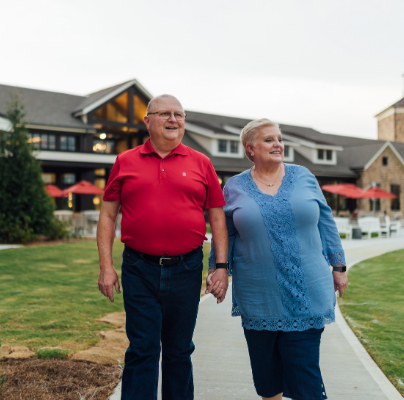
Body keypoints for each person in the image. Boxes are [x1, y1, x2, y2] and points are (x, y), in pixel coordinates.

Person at [96, 94, 230, 400]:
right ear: (147, 121)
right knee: (142, 349)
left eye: (179, 115)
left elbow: (217, 218)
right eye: (165, 113)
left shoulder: (201, 163)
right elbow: (107, 215)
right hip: (138, 268)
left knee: (179, 351)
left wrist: (221, 267)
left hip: (186, 269)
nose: (173, 120)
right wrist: (106, 267)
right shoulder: (125, 161)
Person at [207, 118, 348, 400]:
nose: (278, 145)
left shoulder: (304, 176)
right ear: (250, 149)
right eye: (269, 140)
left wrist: (339, 265)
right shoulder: (234, 186)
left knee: (305, 380)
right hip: (259, 296)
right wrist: (218, 269)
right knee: (268, 381)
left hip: (307, 291)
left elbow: (326, 221)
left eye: (280, 139)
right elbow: (226, 233)